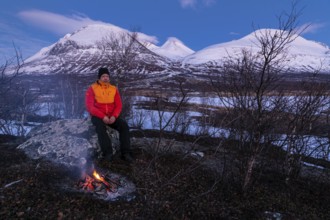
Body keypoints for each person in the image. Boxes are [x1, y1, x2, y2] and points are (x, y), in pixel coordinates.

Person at [85, 67, 134, 163]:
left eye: (107, 76)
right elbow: (89, 106)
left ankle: (126, 153)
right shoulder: (92, 88)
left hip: (111, 116)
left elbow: (119, 105)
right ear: (99, 77)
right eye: (103, 76)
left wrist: (114, 116)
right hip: (98, 116)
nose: (106, 78)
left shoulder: (113, 89)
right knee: (100, 127)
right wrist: (102, 116)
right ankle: (108, 153)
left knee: (124, 126)